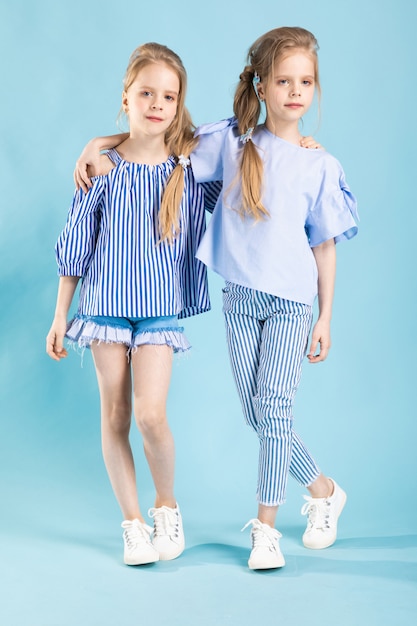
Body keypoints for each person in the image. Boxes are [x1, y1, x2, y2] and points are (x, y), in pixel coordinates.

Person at [73, 27, 358, 571]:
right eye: (283, 81)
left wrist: (325, 316)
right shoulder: (231, 142)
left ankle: (267, 530)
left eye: (306, 82)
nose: (296, 92)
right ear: (260, 85)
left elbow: (323, 245)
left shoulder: (320, 165)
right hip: (240, 301)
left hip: (293, 303)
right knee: (258, 414)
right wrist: (99, 144)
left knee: (273, 410)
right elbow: (159, 144)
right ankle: (323, 490)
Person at [46, 42, 218, 566]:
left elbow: (247, 137)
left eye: (169, 96)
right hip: (102, 307)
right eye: (146, 92)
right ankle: (133, 523)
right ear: (127, 96)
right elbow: (76, 245)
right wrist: (60, 316)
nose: (157, 104)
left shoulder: (190, 167)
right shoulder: (101, 165)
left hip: (159, 309)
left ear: (179, 103)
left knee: (150, 415)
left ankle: (166, 503)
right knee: (116, 414)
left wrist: (298, 143)